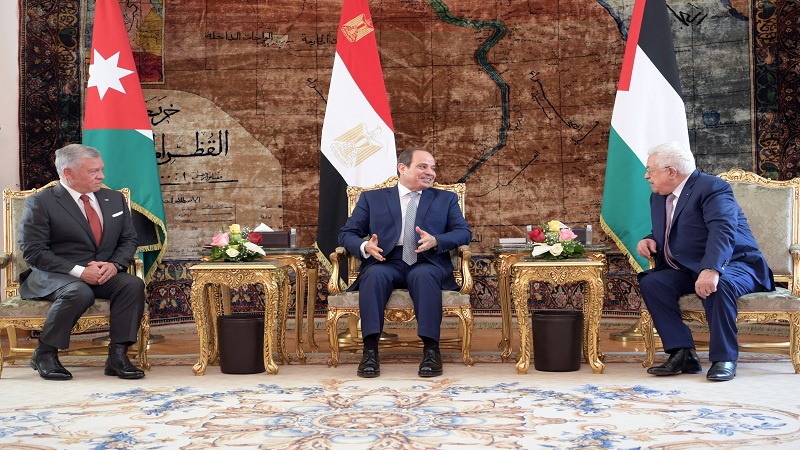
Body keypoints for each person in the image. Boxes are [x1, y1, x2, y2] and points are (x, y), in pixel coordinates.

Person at [635, 141, 774, 382]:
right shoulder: (658, 197)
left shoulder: (712, 187)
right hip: (688, 267)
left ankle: (724, 358)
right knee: (653, 282)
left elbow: (722, 229)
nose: (647, 176)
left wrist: (711, 269)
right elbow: (676, 229)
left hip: (736, 264)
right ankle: (682, 353)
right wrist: (650, 239)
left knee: (719, 285)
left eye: (650, 170)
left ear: (671, 172)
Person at [339, 147, 472, 378]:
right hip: (385, 260)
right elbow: (347, 234)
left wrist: (436, 240)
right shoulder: (372, 199)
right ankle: (369, 351)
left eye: (433, 168)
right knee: (373, 276)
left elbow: (463, 233)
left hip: (425, 260)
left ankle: (431, 350)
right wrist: (365, 246)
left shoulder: (445, 199)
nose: (430, 172)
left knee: (425, 276)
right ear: (403, 168)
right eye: (423, 166)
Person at [18, 144, 146, 380]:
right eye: (93, 171)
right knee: (79, 292)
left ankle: (117, 355)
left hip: (103, 271)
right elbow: (33, 251)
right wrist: (79, 271)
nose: (101, 176)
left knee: (132, 284)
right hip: (56, 275)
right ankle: (45, 353)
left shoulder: (114, 198)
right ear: (68, 173)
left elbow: (129, 240)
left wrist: (114, 265)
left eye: (101, 169)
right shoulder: (41, 202)